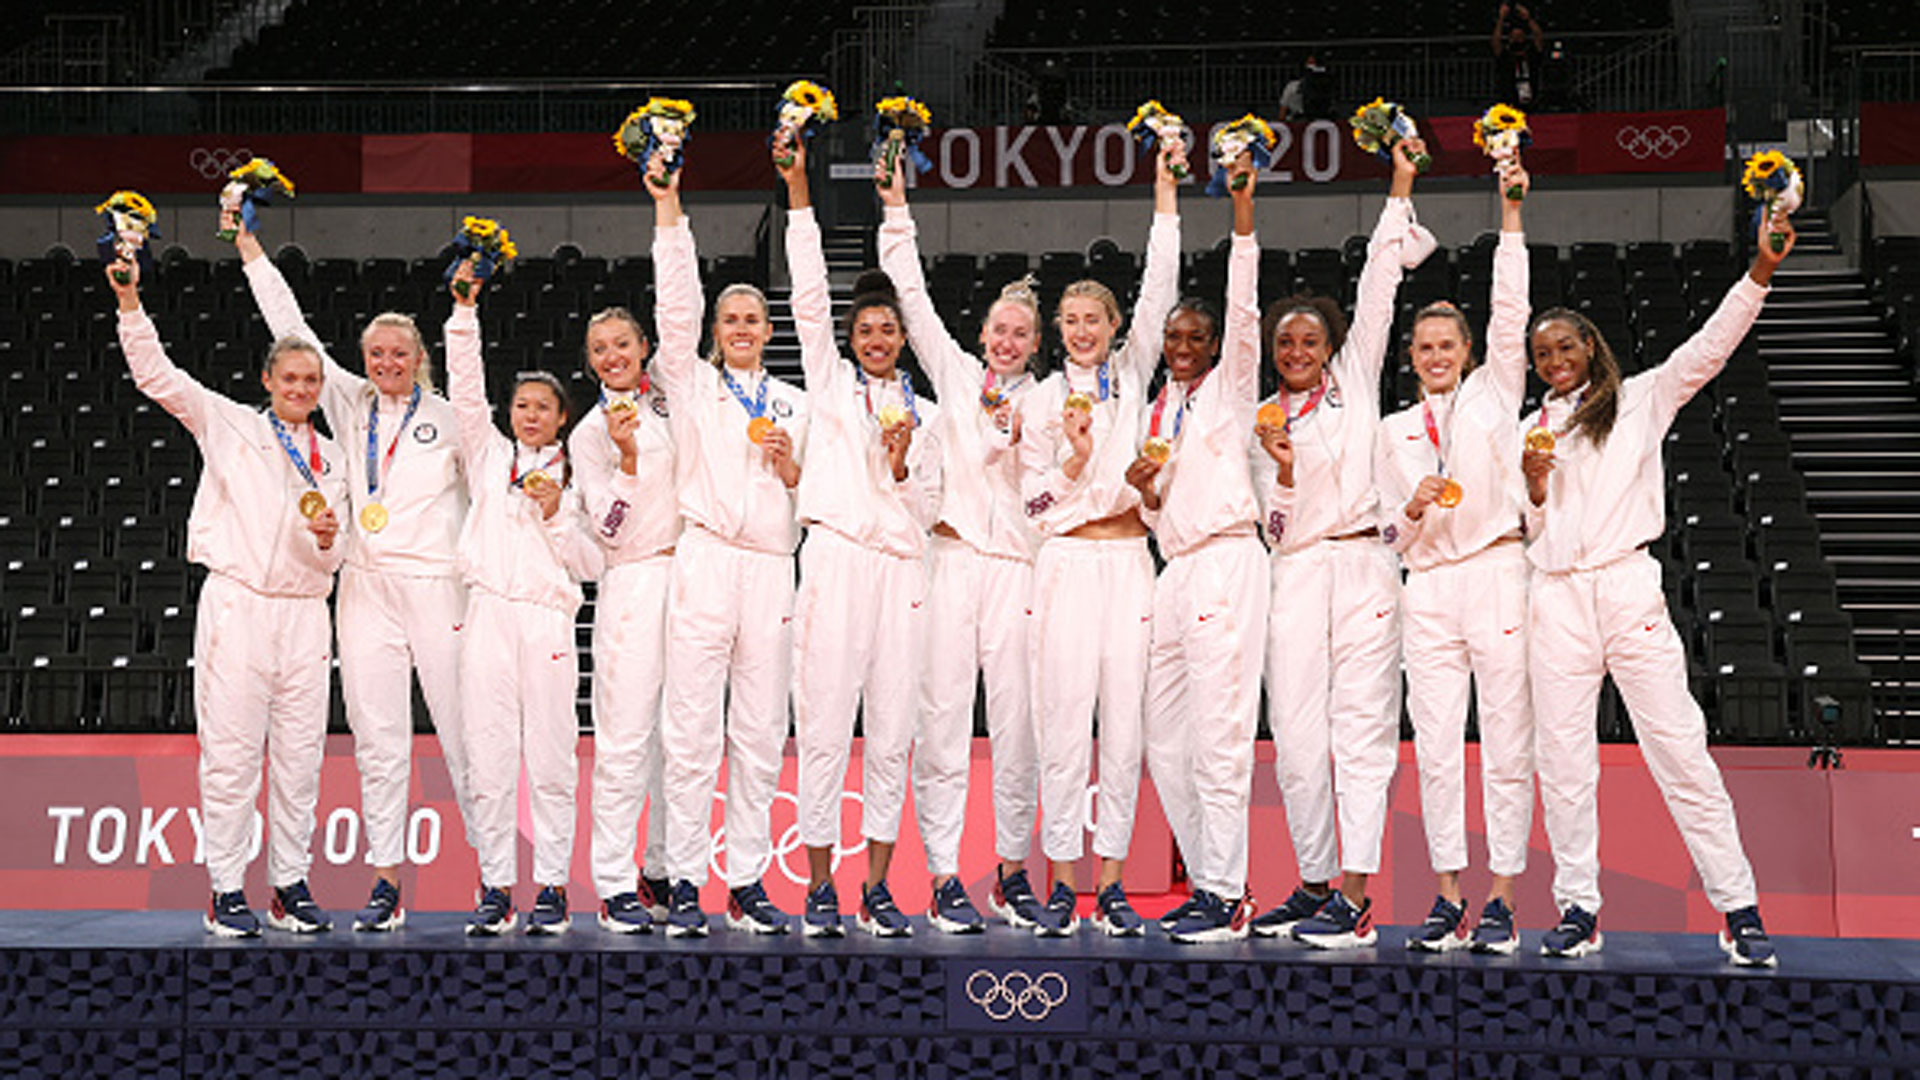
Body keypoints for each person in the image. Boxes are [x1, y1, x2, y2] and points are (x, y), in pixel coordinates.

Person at [1521, 214, 1794, 967]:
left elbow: (1710, 348)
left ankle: (1739, 906)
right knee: (1565, 763)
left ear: (1591, 348)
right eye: (1541, 353)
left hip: (1626, 588)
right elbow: (1528, 532)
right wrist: (1535, 490)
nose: (1554, 361)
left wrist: (1760, 272)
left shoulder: (1642, 398)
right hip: (1554, 597)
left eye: (1565, 347)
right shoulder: (1525, 435)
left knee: (1679, 748)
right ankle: (1578, 907)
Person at [231, 220, 471, 935]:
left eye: (399, 353)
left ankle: (497, 878)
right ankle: (388, 880)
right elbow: (289, 324)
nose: (387, 362)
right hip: (365, 589)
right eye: (375, 354)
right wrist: (248, 249)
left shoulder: (457, 420)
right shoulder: (346, 400)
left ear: (421, 357)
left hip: (436, 587)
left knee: (465, 736)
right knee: (378, 740)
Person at [108, 254, 347, 938]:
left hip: (305, 613)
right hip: (239, 602)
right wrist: (130, 301)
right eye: (290, 377)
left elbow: (339, 552)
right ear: (267, 380)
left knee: (302, 757)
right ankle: (224, 889)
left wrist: (329, 537)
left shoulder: (333, 462)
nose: (300, 388)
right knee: (233, 751)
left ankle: (290, 885)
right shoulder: (227, 421)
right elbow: (156, 376)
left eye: (311, 380)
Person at [1249, 134, 1430, 949]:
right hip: (1293, 573)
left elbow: (1381, 283)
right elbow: (1274, 527)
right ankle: (1315, 881)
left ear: (1330, 346)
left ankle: (1356, 897)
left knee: (1359, 731)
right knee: (1294, 736)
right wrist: (1282, 473)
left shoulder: (1356, 377)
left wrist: (1398, 184)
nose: (1295, 352)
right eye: (1284, 344)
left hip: (1361, 563)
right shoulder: (1263, 425)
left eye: (1308, 342)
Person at [1015, 132, 1185, 937]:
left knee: (1124, 724)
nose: (1083, 329)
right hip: (1066, 566)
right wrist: (1080, 467)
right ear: (1057, 329)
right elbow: (1035, 505)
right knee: (1062, 721)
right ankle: (1060, 881)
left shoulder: (1134, 374)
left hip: (1129, 562)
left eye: (1096, 318)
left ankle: (1111, 881)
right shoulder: (1040, 400)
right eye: (1071, 320)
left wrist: (1164, 194)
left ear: (1117, 325)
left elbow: (1162, 286)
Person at [776, 137, 944, 938]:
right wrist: (801, 190)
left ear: (905, 339)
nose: (877, 338)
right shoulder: (832, 388)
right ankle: (817, 883)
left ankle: (876, 885)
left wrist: (908, 464)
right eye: (866, 328)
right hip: (837, 560)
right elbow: (808, 294)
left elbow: (933, 508)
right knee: (823, 725)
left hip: (904, 572)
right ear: (851, 338)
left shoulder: (931, 416)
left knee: (890, 731)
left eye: (889, 329)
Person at [877, 163, 1049, 933]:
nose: (1007, 341)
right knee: (941, 720)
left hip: (1018, 573)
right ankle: (944, 875)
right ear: (981, 335)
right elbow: (910, 296)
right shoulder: (952, 375)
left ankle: (1013, 872)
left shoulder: (1054, 402)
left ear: (1035, 344)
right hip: (949, 564)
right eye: (998, 330)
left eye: (1021, 333)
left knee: (1019, 729)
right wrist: (896, 212)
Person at [1375, 160, 1535, 955]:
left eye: (1448, 344)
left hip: (1497, 571)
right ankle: (1447, 895)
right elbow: (1386, 538)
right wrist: (1407, 509)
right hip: (1427, 586)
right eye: (1424, 346)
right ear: (1410, 355)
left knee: (1505, 739)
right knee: (1435, 745)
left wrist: (1511, 216)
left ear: (1470, 350)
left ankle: (1503, 898)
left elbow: (1515, 310)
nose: (1436, 355)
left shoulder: (1496, 393)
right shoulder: (1393, 430)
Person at [648, 151, 809, 938]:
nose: (740, 330)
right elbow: (674, 305)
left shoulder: (795, 404)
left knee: (756, 731)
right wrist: (669, 207)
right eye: (728, 322)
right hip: (706, 558)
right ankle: (684, 878)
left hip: (773, 569)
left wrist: (790, 467)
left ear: (769, 332)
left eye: (751, 320)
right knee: (689, 728)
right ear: (714, 335)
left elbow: (814, 492)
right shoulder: (694, 387)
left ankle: (744, 877)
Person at [444, 263, 604, 936]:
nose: (529, 415)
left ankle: (554, 887)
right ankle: (494, 884)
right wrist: (464, 312)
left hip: (545, 622)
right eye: (522, 407)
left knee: (551, 755)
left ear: (563, 418)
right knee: (487, 753)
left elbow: (594, 563)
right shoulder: (486, 458)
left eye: (542, 407)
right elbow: (466, 390)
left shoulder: (578, 473)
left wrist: (557, 515)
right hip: (486, 614)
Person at [1137, 150, 1270, 943]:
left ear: (1215, 343)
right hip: (1174, 567)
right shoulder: (1158, 409)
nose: (1183, 344)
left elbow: (1245, 304)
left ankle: (1224, 893)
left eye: (1196, 335)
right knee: (1164, 738)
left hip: (1226, 560)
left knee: (1219, 737)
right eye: (1174, 335)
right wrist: (1144, 489)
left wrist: (1241, 214)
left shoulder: (1230, 387)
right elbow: (1155, 506)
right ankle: (1213, 875)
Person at [571, 306, 677, 933]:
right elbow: (606, 527)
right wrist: (628, 459)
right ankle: (613, 881)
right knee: (625, 741)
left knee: (682, 740)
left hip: (690, 578)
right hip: (632, 580)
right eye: (599, 348)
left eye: (621, 343)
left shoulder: (671, 398)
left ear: (645, 346)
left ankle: (660, 870)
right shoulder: (589, 433)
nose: (612, 356)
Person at [1493, 3, 1546, 108]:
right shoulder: (1506, 55)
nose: (1517, 38)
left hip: (1532, 96)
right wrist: (1501, 19)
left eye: (1519, 36)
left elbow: (1539, 36)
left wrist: (1528, 19)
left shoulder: (1531, 53)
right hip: (1509, 99)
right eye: (1514, 36)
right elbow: (1495, 42)